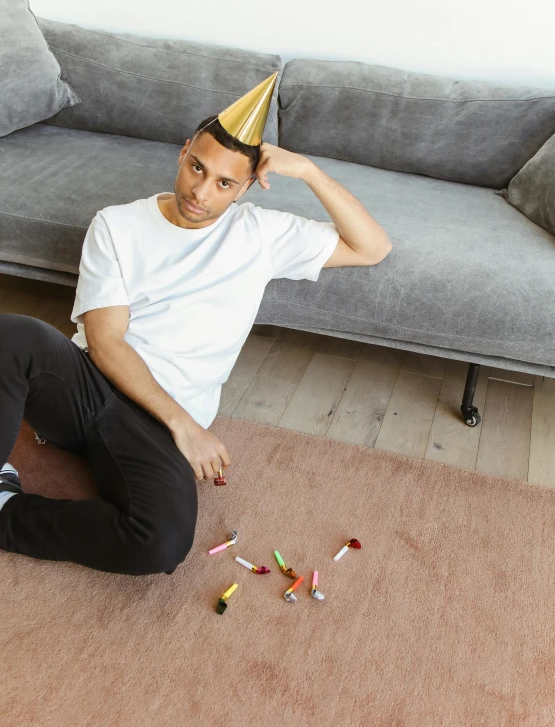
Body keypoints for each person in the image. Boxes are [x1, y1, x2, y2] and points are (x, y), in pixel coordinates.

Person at [0, 73, 392, 576]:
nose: (200, 191)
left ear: (247, 186)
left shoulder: (262, 235)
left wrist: (311, 172)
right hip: (90, 390)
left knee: (160, 542)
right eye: (196, 167)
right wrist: (188, 427)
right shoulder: (116, 225)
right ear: (184, 152)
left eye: (224, 183)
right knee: (16, 336)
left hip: (155, 428)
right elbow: (104, 341)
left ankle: (8, 514)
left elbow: (372, 247)